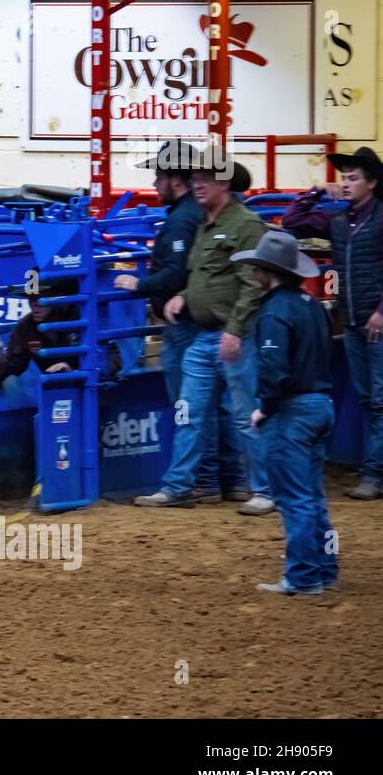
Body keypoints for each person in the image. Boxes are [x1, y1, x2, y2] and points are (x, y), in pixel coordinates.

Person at [135, 147, 273, 513]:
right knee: (189, 410)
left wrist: (235, 329)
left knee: (246, 414)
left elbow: (252, 284)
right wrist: (181, 295)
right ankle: (180, 486)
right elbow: (203, 275)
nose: (197, 185)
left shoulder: (245, 225)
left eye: (205, 179)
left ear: (224, 182)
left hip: (233, 336)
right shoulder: (205, 224)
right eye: (195, 179)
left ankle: (265, 489)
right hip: (207, 336)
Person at [114, 140, 234, 503]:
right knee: (210, 403)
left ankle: (206, 479)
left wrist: (141, 285)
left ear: (173, 179)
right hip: (197, 318)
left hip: (185, 321)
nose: (154, 184)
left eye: (158, 176)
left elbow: (175, 271)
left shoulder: (182, 219)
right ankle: (222, 478)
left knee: (191, 404)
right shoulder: (194, 215)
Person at [231, 232, 336, 595]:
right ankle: (325, 568)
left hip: (294, 412)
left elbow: (274, 367)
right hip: (322, 404)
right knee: (313, 496)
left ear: (267, 270)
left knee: (295, 497)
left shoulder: (275, 311)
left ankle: (304, 577)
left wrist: (264, 407)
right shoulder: (311, 305)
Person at [282, 146, 383, 501]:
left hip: (372, 319)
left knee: (378, 399)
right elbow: (292, 221)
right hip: (357, 320)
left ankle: (373, 473)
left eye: (353, 177)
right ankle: (374, 471)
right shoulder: (339, 221)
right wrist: (316, 191)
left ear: (371, 183)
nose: (346, 182)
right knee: (372, 398)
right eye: (345, 177)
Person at [0, 279, 120, 386]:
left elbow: (112, 359)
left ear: (56, 298)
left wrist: (77, 372)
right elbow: (12, 359)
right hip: (57, 393)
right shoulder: (26, 326)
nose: (34, 305)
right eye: (30, 298)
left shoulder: (82, 317)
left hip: (94, 389)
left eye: (40, 298)